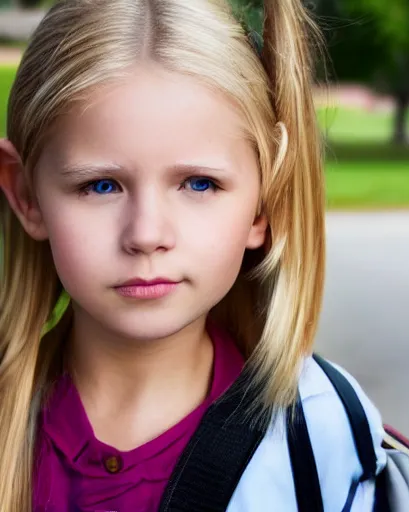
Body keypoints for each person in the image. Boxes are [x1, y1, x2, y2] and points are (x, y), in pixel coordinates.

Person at [0, 0, 386, 510]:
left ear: (264, 201)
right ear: (27, 195)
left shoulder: (321, 433)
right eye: (100, 186)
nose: (146, 234)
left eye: (199, 183)